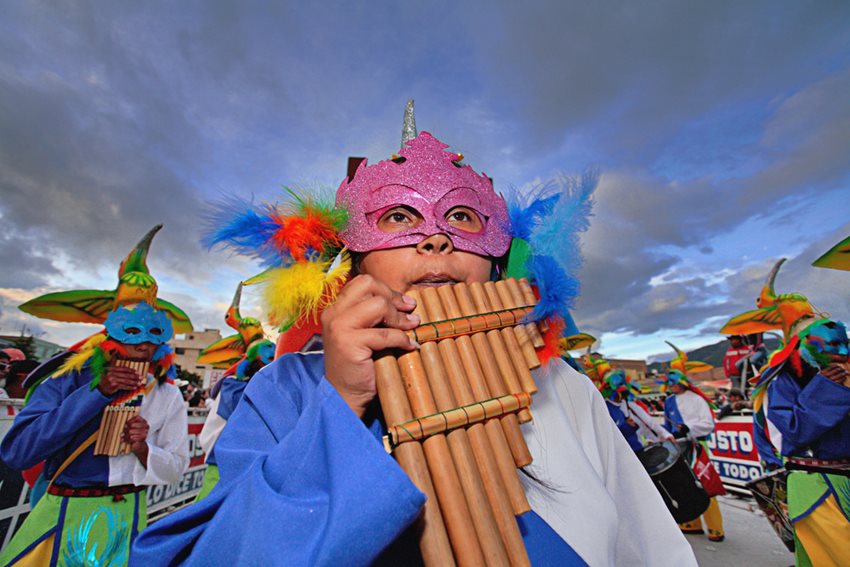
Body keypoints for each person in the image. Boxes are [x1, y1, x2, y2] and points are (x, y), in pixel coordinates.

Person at [132, 103, 695, 566]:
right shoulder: (281, 390)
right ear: (352, 265)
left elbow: (649, 550)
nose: (436, 242)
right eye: (399, 218)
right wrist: (340, 403)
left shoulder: (562, 387)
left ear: (498, 262)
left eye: (462, 219)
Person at [0, 225, 191, 566]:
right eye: (130, 330)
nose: (143, 344)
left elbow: (176, 468)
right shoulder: (68, 379)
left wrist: (143, 448)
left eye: (152, 333)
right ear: (109, 328)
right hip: (64, 516)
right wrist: (95, 395)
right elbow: (18, 451)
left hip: (127, 520)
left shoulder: (166, 394)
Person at [195, 282, 276, 500]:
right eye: (267, 357)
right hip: (221, 473)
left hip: (256, 480)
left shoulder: (276, 387)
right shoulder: (233, 388)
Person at [660, 343, 726, 542]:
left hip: (696, 447)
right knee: (684, 485)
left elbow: (707, 423)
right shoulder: (669, 401)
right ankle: (692, 523)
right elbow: (665, 424)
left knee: (705, 485)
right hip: (678, 448)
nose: (671, 385)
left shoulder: (697, 399)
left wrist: (688, 428)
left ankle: (715, 528)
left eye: (673, 381)